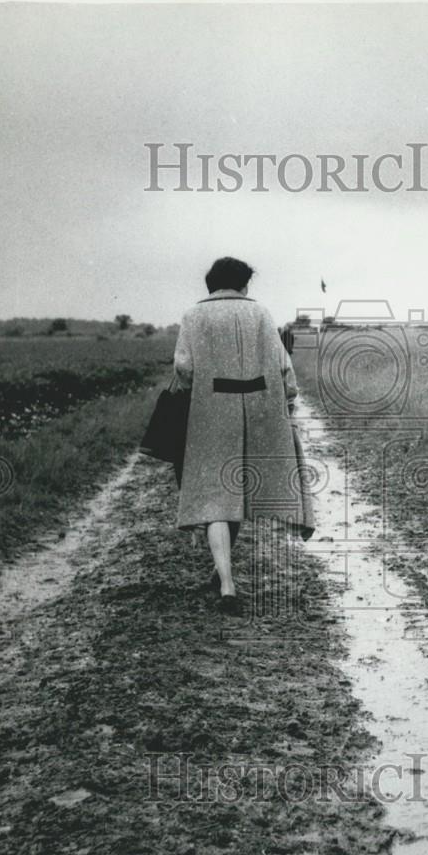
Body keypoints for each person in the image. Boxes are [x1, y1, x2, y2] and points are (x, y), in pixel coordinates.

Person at [173, 257, 315, 614]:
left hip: (211, 411)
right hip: (259, 408)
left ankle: (226, 584)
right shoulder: (262, 314)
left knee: (215, 497)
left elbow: (184, 367)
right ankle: (221, 574)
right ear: (243, 284)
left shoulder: (193, 315)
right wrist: (290, 402)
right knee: (239, 489)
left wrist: (195, 390)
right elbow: (283, 365)